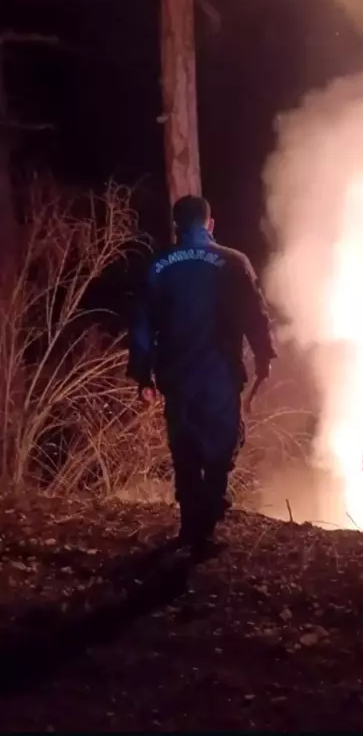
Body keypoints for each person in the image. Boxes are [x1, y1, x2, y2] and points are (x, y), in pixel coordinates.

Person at [127, 195, 276, 552]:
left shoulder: (158, 265)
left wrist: (142, 375)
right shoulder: (233, 262)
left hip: (176, 376)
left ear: (177, 225)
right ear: (210, 223)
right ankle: (206, 518)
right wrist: (264, 355)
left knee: (185, 447)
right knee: (225, 442)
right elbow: (255, 314)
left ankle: (194, 524)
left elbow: (143, 324)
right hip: (220, 375)